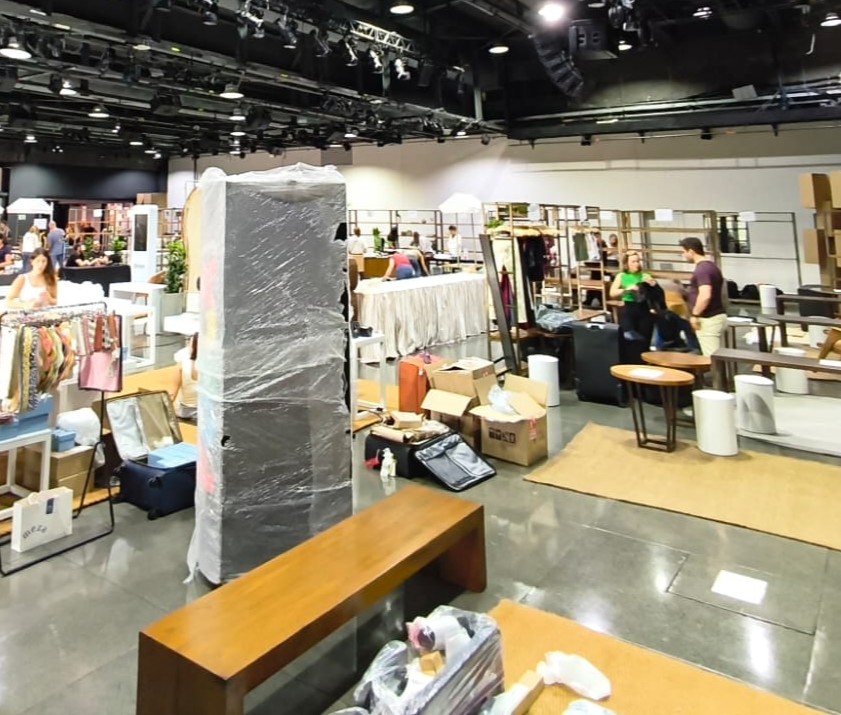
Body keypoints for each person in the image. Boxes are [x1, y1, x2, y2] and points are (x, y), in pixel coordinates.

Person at [680, 236, 727, 355]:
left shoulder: (702, 270)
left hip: (709, 319)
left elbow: (705, 295)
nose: (683, 255)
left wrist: (695, 315)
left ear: (691, 251)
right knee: (718, 355)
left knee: (712, 357)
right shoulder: (710, 266)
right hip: (716, 316)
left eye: (684, 252)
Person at [609, 250, 657, 344]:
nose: (637, 264)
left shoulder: (645, 276)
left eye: (638, 261)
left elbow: (655, 293)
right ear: (627, 264)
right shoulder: (622, 276)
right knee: (629, 338)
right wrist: (626, 289)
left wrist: (652, 285)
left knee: (644, 340)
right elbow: (612, 293)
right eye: (633, 262)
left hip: (644, 308)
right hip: (628, 307)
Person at [169, 333, 198, 421]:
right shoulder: (214, 361)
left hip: (186, 411)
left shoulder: (182, 359)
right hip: (208, 411)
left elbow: (172, 394)